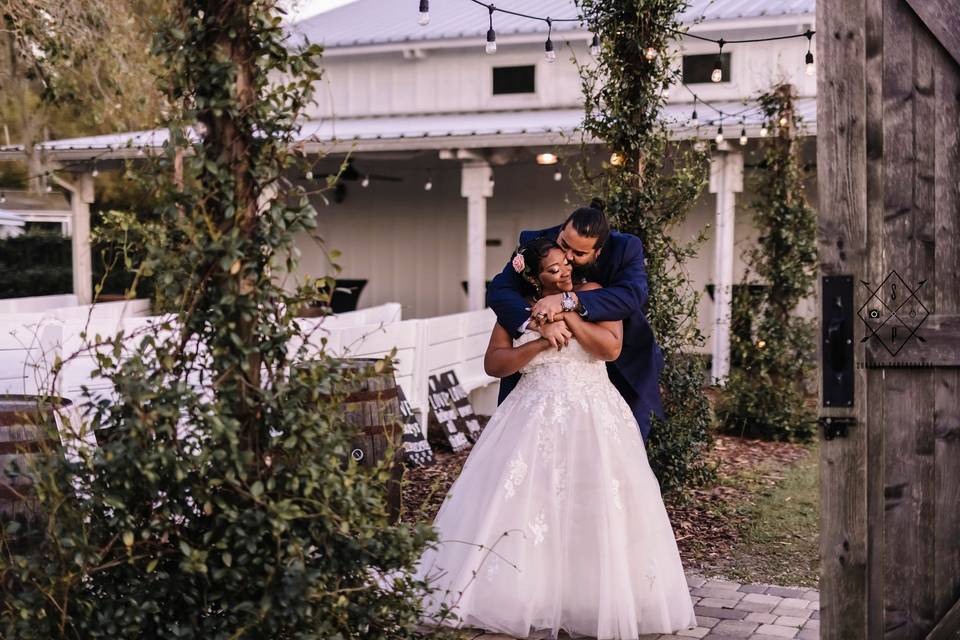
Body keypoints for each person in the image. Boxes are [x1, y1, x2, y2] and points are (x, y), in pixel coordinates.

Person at [412, 238, 696, 639]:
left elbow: (610, 350)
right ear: (532, 276)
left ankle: (593, 597)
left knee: (594, 503)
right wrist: (543, 340)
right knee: (529, 502)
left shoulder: (596, 295)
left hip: (594, 413)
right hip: (531, 415)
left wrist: (569, 314)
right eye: (554, 269)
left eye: (566, 264)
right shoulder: (518, 310)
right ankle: (525, 594)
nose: (565, 272)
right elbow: (494, 363)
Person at [486, 200, 664, 442]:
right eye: (564, 245)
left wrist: (568, 301)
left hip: (617, 358)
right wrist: (537, 323)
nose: (567, 259)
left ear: (597, 252)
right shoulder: (536, 244)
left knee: (619, 443)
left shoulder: (625, 248)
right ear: (561, 230)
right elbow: (500, 290)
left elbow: (632, 296)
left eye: (579, 254)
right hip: (538, 382)